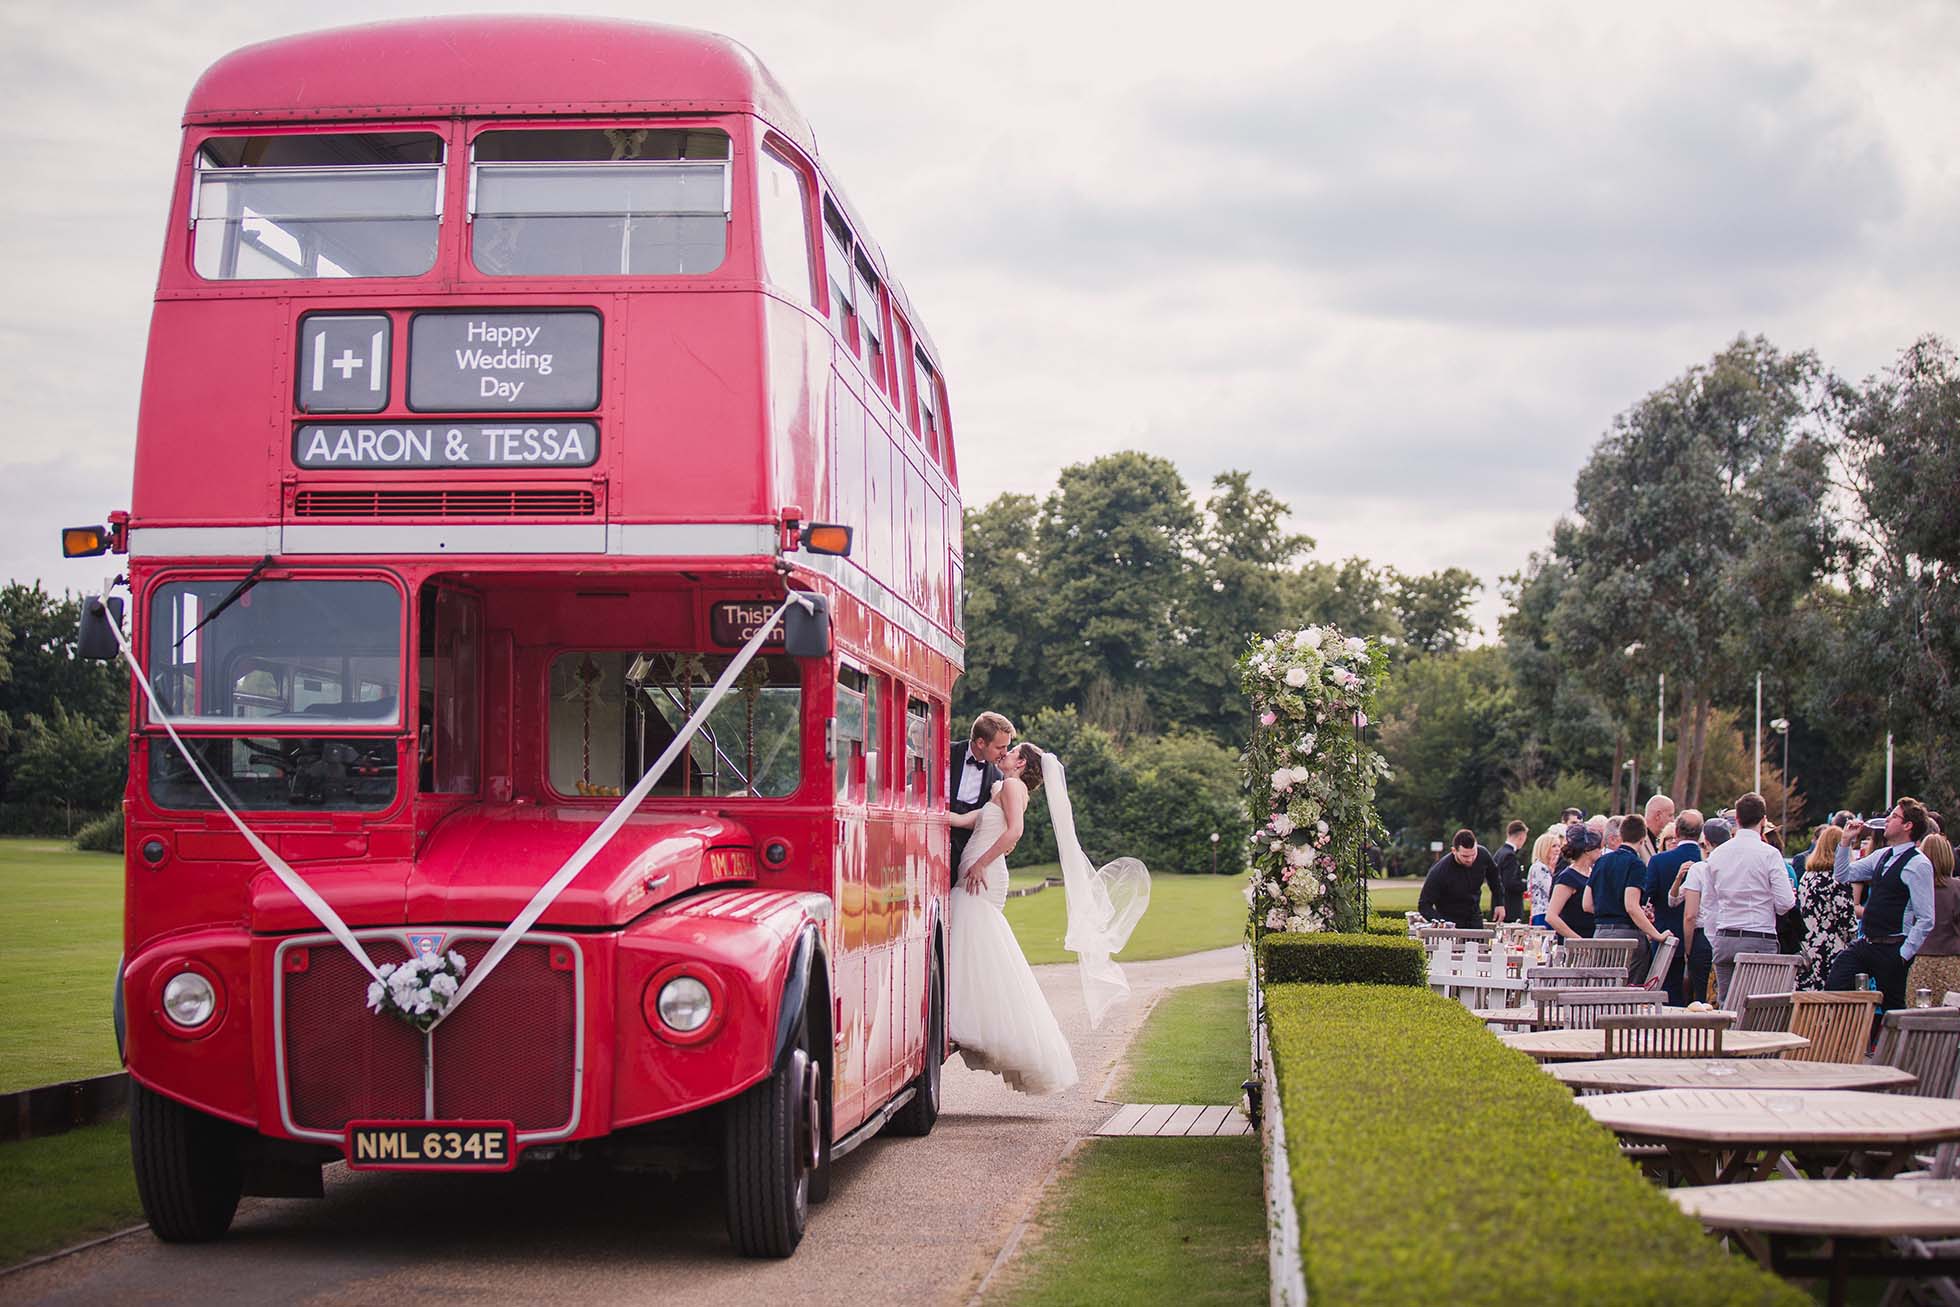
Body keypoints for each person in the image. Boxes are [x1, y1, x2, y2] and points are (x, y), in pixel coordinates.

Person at [944, 743, 1149, 1092]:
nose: (1005, 754)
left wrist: (979, 864)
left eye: (1011, 752)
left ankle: (967, 1020)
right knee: (975, 947)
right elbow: (969, 820)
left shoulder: (1012, 786)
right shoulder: (1004, 786)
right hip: (979, 871)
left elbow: (1014, 832)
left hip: (984, 874)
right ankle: (966, 1017)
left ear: (1021, 763)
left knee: (973, 940)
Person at [1827, 798, 1937, 1010]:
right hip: (1867, 943)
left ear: (1908, 825)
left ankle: (1892, 1033)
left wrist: (1904, 954)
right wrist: (1845, 841)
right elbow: (1842, 875)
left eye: (1894, 816)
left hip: (1893, 946)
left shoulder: (1919, 864)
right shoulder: (1881, 855)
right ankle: (1848, 1030)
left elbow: (1926, 918)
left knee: (1892, 1008)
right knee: (1836, 983)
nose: (1887, 820)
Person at [1693, 793, 1796, 1006]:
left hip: (1725, 936)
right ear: (1763, 820)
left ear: (1737, 819)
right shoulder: (1770, 854)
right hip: (1759, 935)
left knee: (1726, 1004)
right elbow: (1786, 902)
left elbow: (1709, 904)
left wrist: (1715, 938)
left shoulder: (1717, 855)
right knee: (1759, 1006)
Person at [1587, 814, 1668, 982]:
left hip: (1600, 934)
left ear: (1621, 835)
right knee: (1627, 989)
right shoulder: (1635, 864)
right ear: (1643, 839)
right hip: (1626, 936)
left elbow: (1586, 904)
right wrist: (1657, 935)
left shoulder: (1601, 862)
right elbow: (1631, 906)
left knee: (1601, 988)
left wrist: (1608, 908)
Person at [1645, 808, 1705, 1005]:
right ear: (1700, 834)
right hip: (1701, 938)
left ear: (1677, 832)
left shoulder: (1659, 861)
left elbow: (1648, 896)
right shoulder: (1707, 862)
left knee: (1667, 996)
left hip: (1666, 935)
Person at [948, 712, 1013, 881]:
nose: (1005, 753)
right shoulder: (946, 752)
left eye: (1006, 747)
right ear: (981, 743)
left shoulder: (999, 776)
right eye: (1000, 747)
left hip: (968, 854)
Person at [1677, 819, 1732, 1004]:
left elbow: (1690, 915)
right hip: (1730, 934)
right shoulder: (1736, 867)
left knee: (1701, 997)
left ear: (1707, 843)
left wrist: (1688, 949)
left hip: (1704, 938)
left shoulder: (1699, 869)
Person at [1794, 825, 1855, 990]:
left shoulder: (1807, 877)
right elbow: (1846, 921)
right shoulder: (1838, 880)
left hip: (1808, 945)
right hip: (1832, 949)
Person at [1905, 835, 1960, 1003]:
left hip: (1920, 961)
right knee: (1951, 1014)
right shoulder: (1957, 888)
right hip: (1952, 963)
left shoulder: (1913, 886)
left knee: (1918, 1014)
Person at [1419, 830, 1505, 928]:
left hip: (1474, 917)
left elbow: (1494, 877)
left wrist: (1499, 903)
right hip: (1450, 921)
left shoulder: (1483, 854)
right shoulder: (1440, 871)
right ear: (1454, 851)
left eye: (1473, 854)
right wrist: (1441, 923)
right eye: (1465, 856)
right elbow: (1424, 905)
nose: (1470, 859)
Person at [1546, 823, 1601, 941]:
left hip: (1594, 938)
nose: (1600, 851)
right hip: (1576, 942)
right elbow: (1551, 916)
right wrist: (1578, 940)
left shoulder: (1593, 873)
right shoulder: (1568, 877)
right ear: (1587, 850)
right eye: (1598, 847)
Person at [1490, 820, 1530, 924]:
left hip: (1498, 903)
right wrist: (1529, 884)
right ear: (1521, 837)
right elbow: (1510, 883)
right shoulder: (1510, 856)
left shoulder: (1499, 853)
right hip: (1510, 907)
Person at [1526, 830, 1561, 927]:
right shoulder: (1539, 868)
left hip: (1548, 913)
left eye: (1559, 846)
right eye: (1554, 846)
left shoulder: (1547, 868)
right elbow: (1551, 890)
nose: (1558, 849)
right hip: (1543, 913)